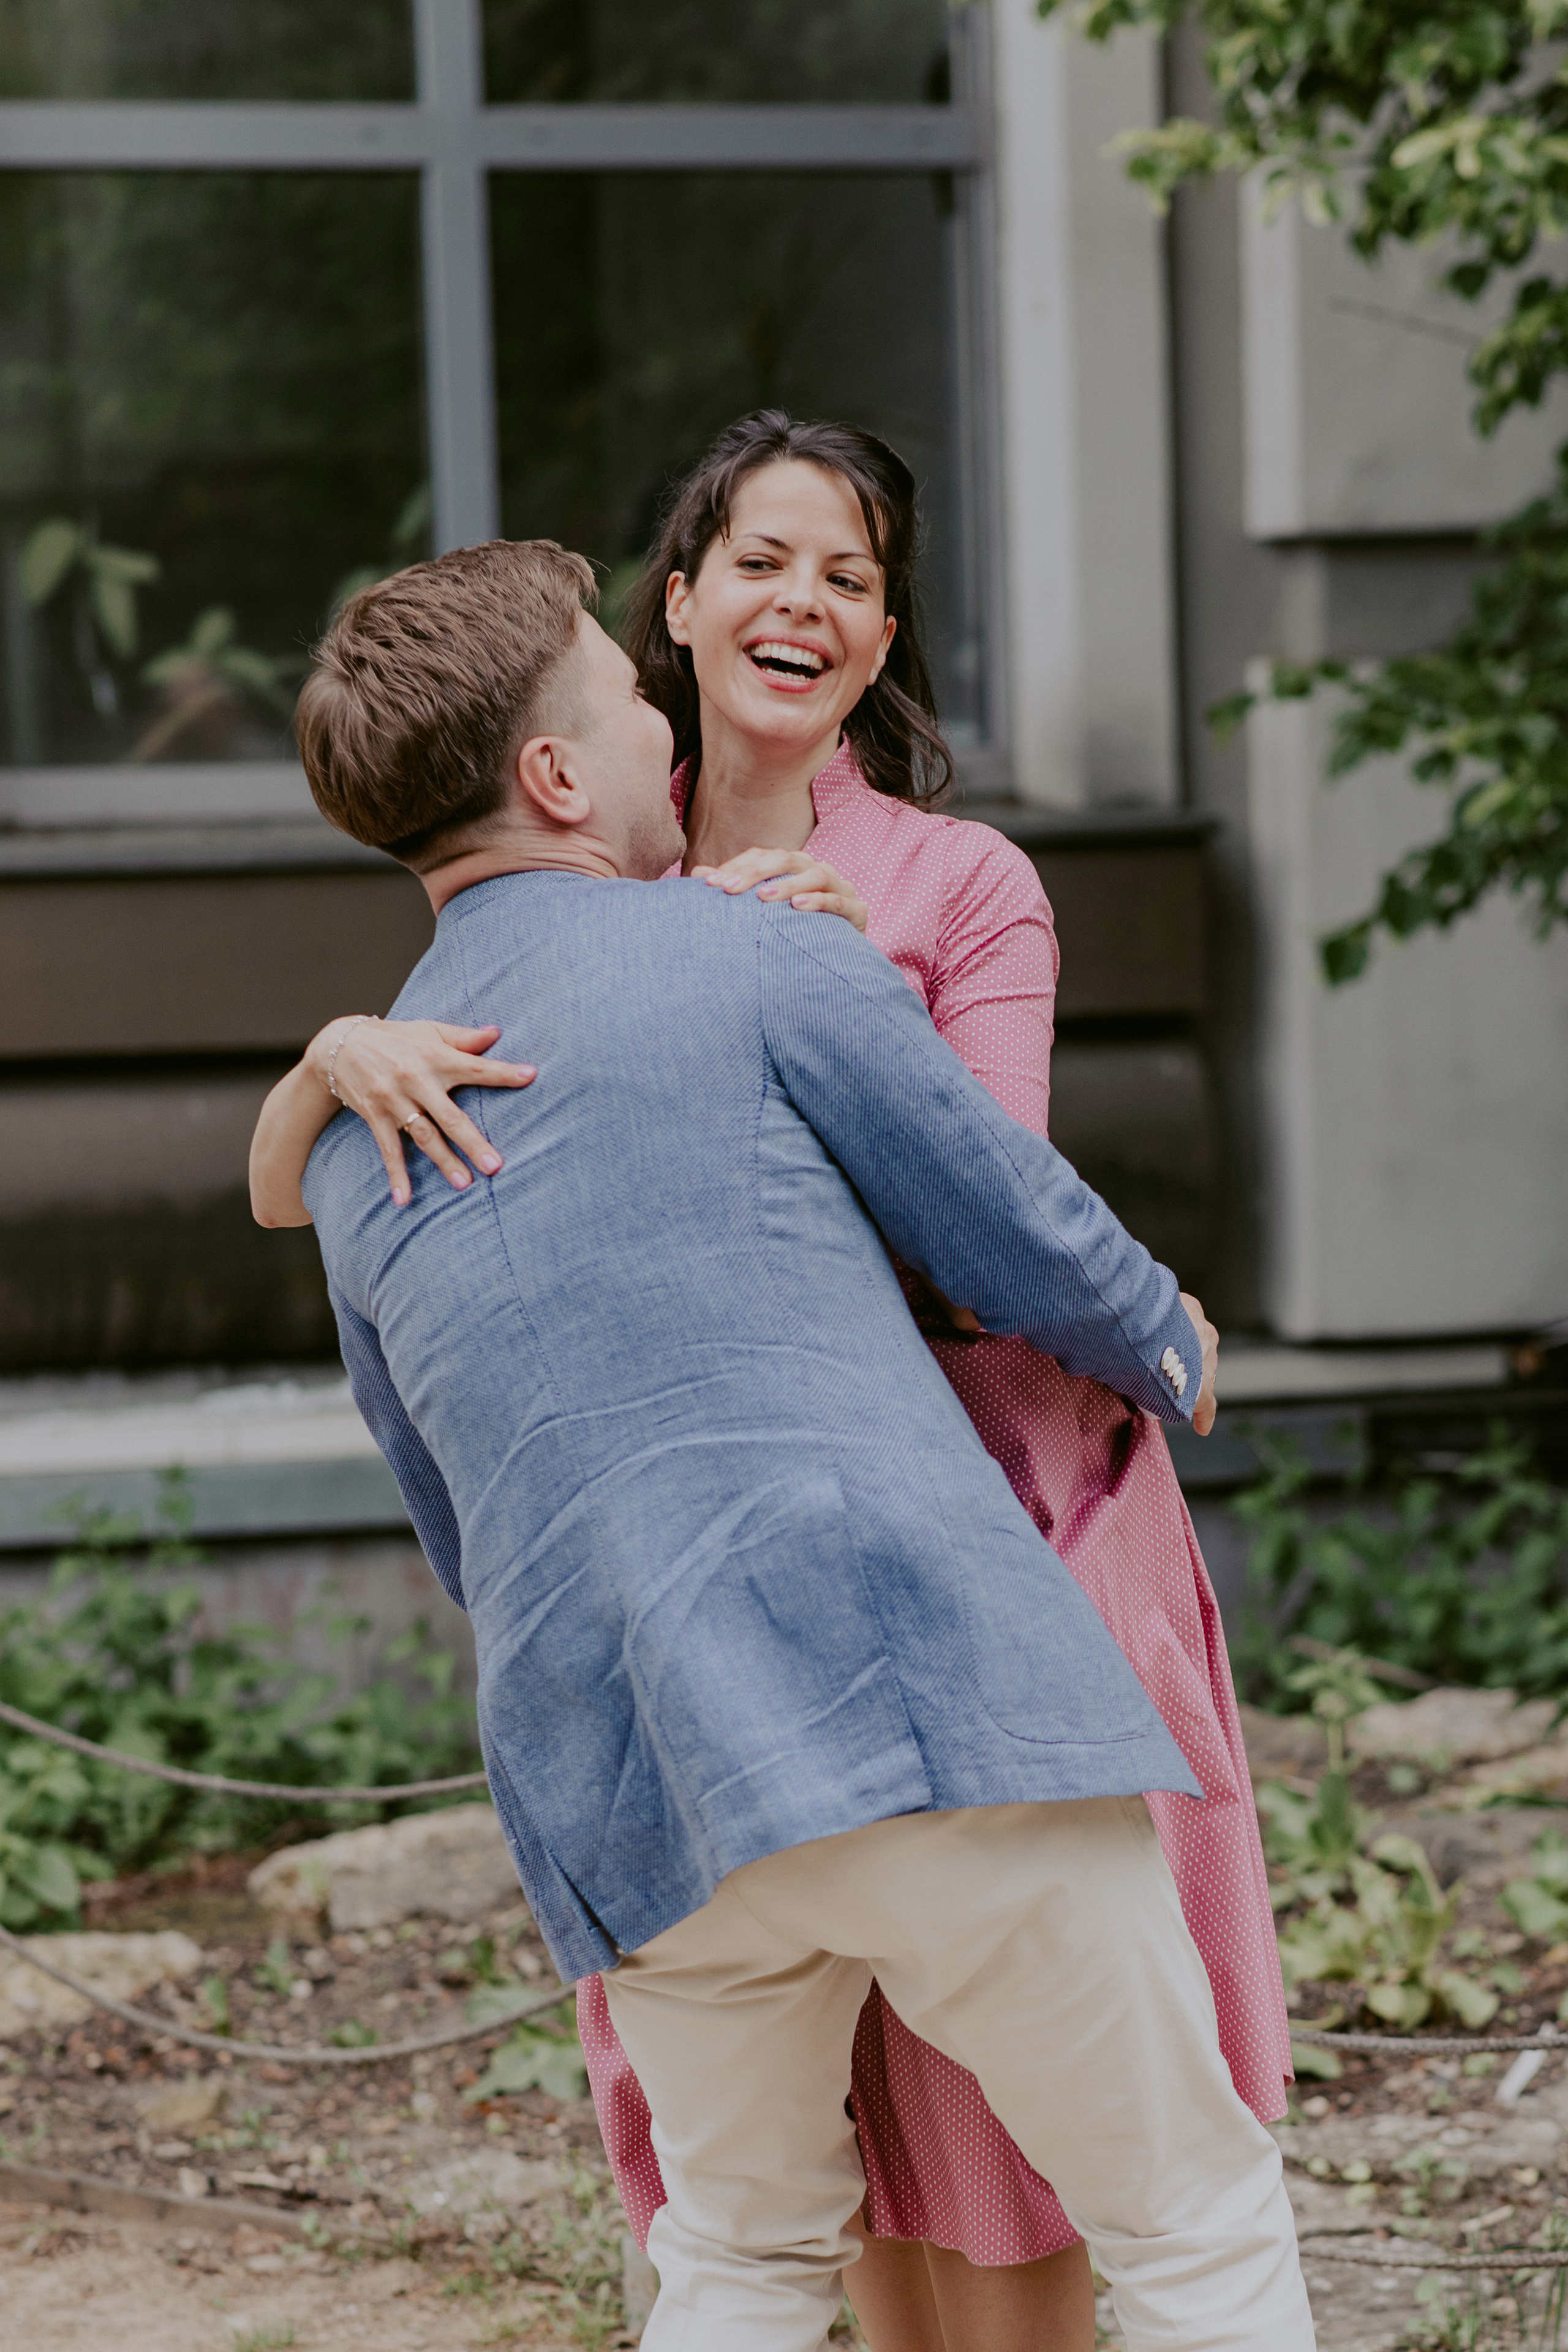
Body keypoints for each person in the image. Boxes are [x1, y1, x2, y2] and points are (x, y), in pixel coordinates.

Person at [252, 415, 1292, 2352]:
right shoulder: (752, 954)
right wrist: (1171, 1336)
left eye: (851, 574)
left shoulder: (367, 1134)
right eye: (623, 687)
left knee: (734, 2261)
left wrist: (326, 1076)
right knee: (1197, 2211)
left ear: (886, 632)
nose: (665, 716)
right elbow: (1023, 1236)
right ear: (572, 752)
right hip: (913, 1661)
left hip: (635, 1754)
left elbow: (447, 1501)